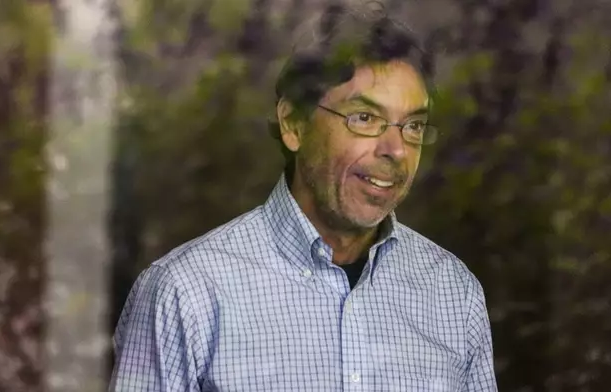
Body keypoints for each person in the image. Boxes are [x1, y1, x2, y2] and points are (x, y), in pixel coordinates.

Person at [109, 3, 498, 391]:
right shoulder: (185, 292)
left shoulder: (454, 293)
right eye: (364, 118)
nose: (396, 150)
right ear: (294, 123)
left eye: (413, 125)